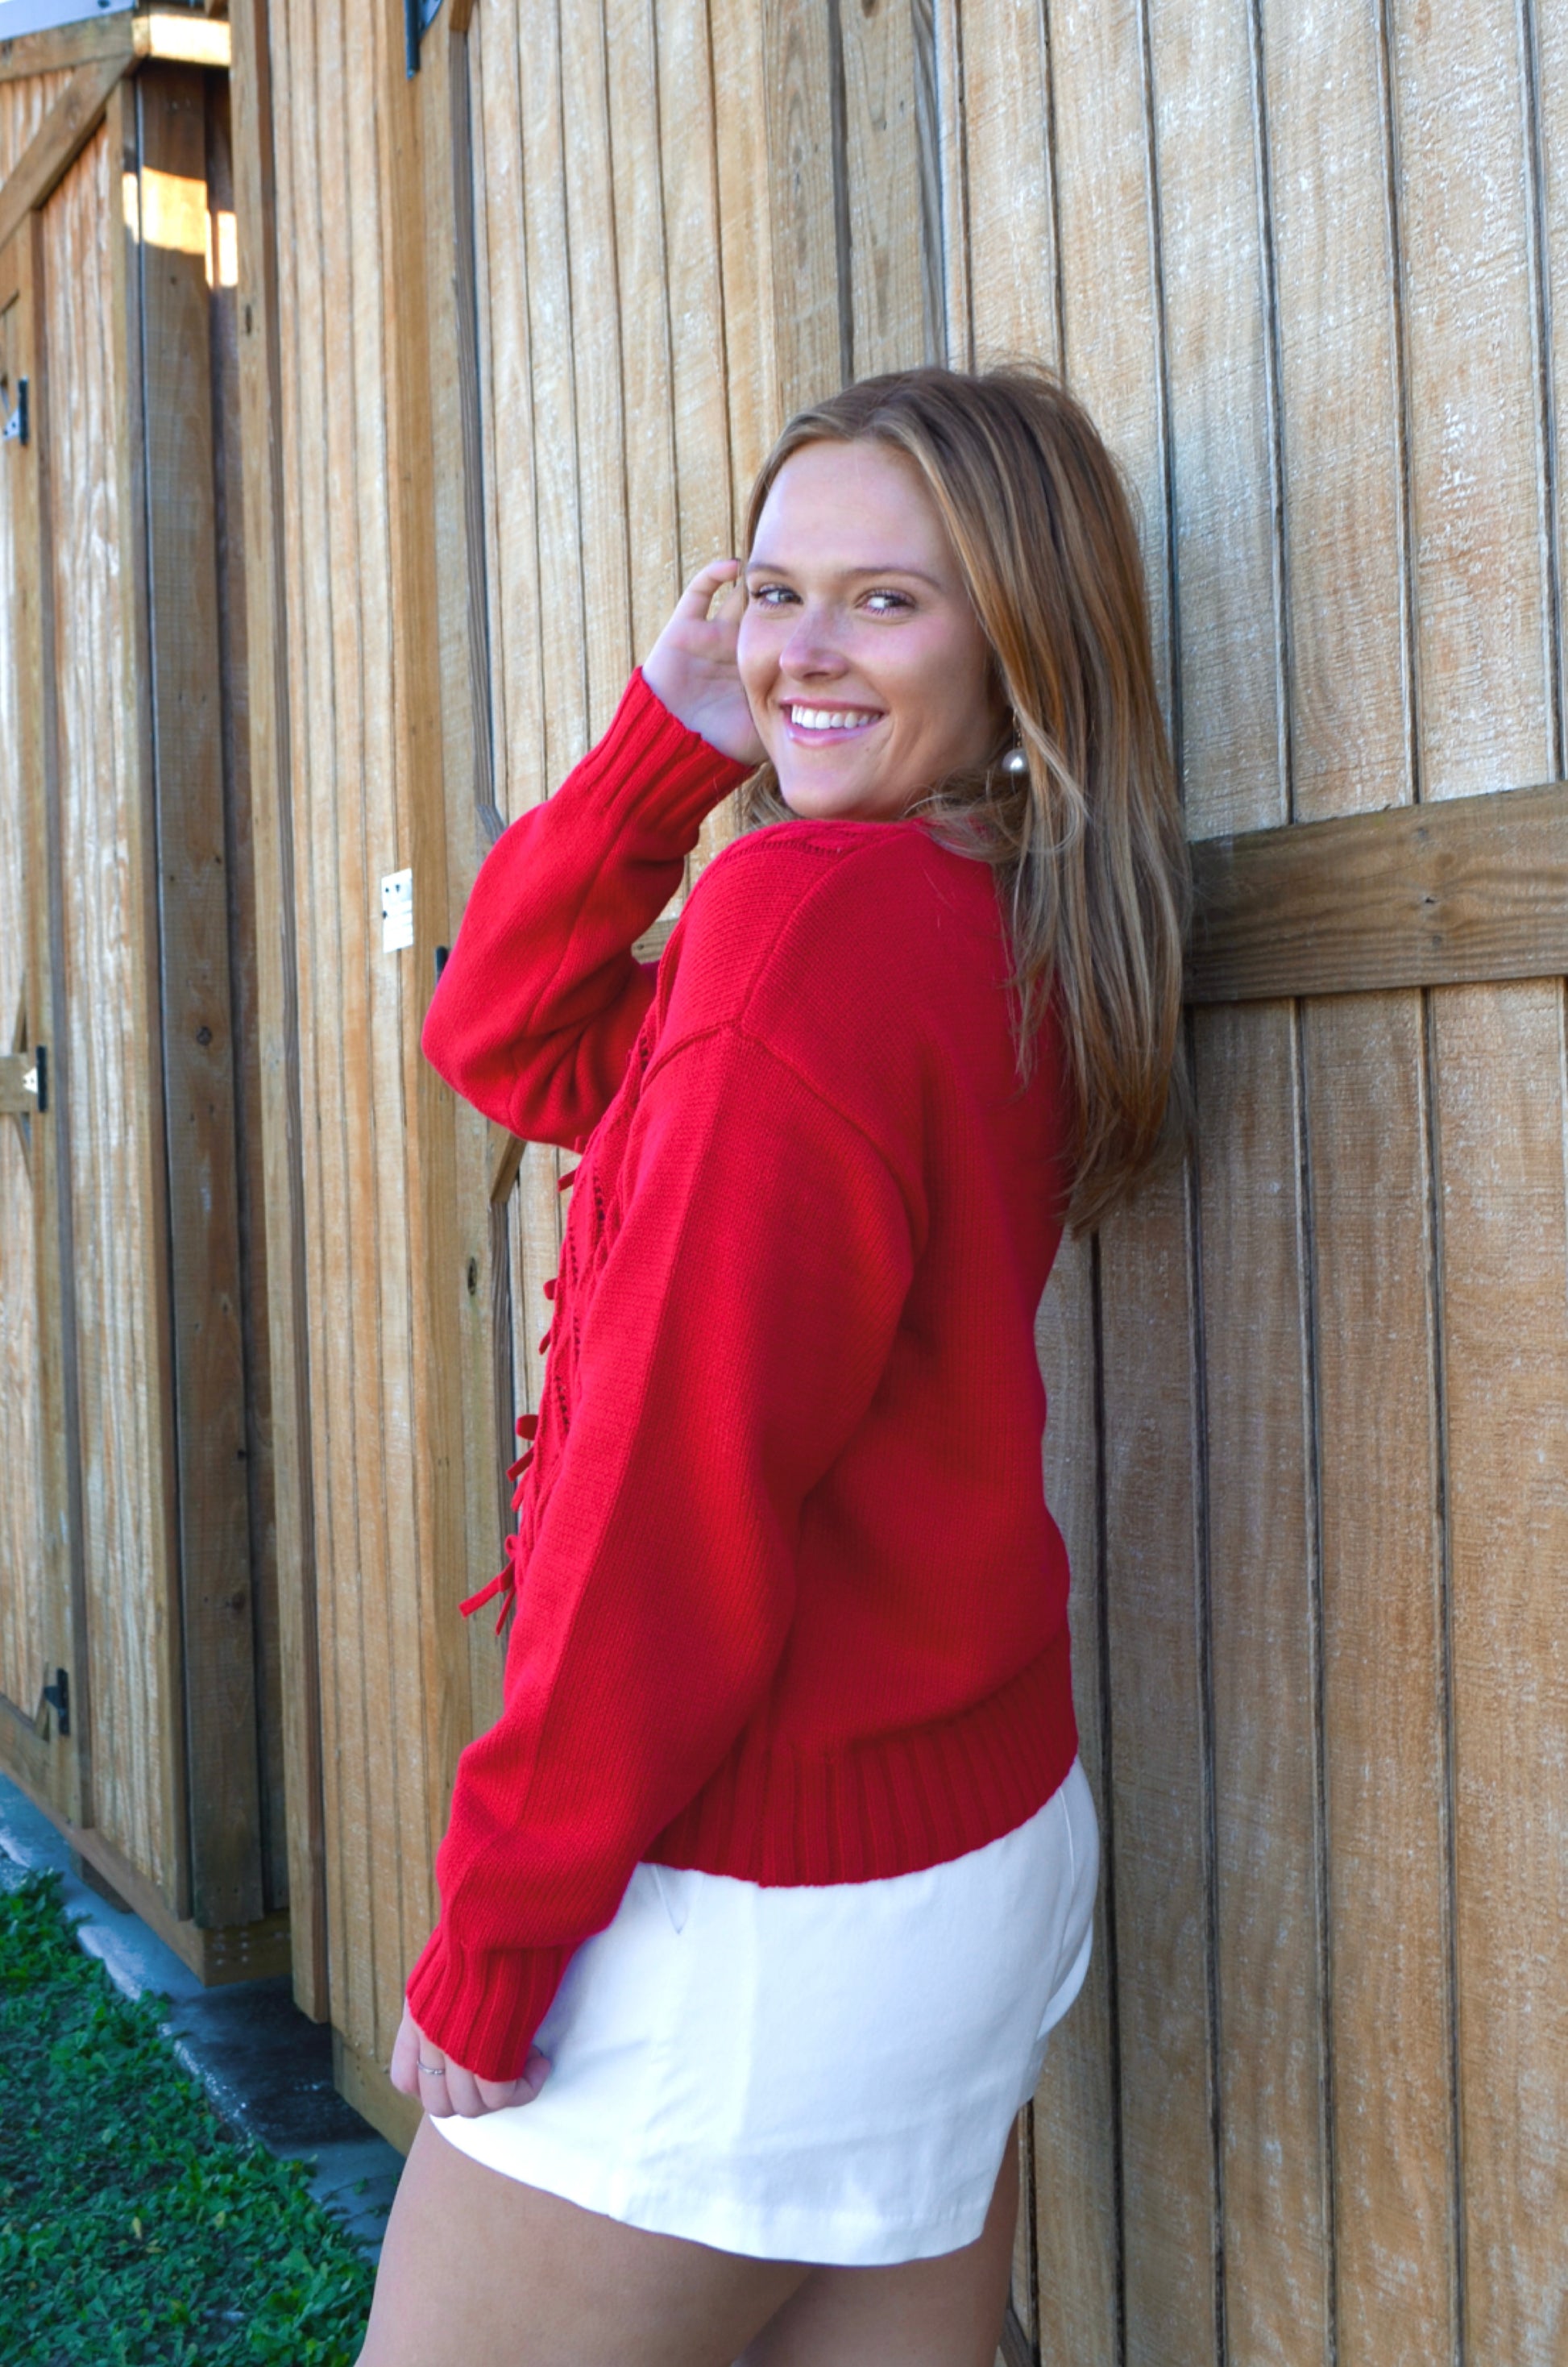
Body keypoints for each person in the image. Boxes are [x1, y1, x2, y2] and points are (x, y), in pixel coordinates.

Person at [357, 365, 1188, 2367]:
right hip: (966, 1854)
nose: (803, 647)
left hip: (759, 1905)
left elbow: (669, 1488)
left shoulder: (804, 928)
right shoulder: (989, 905)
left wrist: (498, 1929)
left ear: (1019, 638)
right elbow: (513, 1036)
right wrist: (673, 736)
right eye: (772, 590)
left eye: (884, 600)